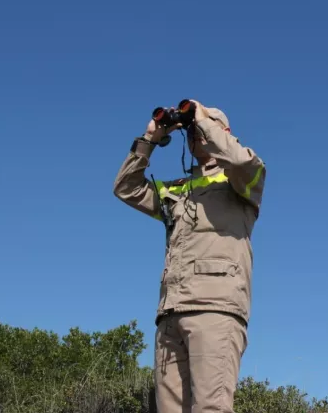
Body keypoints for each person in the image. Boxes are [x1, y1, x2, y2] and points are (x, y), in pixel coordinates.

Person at [113, 99, 266, 412]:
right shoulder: (178, 190)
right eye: (192, 131)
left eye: (201, 128)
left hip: (215, 310)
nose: (195, 135)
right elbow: (127, 188)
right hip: (170, 313)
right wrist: (150, 139)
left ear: (223, 132)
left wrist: (203, 119)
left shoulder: (241, 183)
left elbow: (240, 161)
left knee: (211, 408)